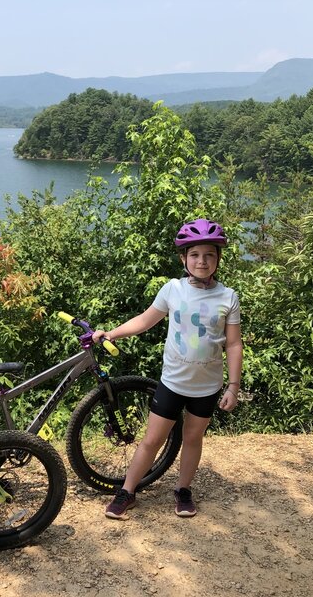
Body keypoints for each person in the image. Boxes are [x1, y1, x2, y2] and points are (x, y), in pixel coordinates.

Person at [93, 218, 243, 520]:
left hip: (207, 387)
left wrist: (233, 386)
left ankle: (183, 490)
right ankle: (128, 491)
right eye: (195, 255)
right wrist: (112, 333)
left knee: (192, 439)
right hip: (172, 383)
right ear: (183, 258)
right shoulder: (172, 289)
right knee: (151, 440)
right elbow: (145, 320)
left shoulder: (228, 297)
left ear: (218, 259)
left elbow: (234, 344)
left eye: (209, 255)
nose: (202, 261)